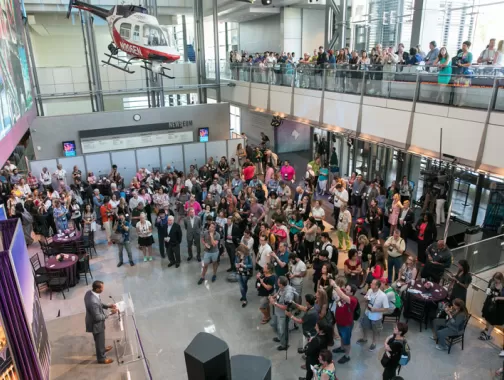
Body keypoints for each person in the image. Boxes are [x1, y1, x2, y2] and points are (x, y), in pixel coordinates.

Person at [84, 281, 118, 364]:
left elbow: (98, 303)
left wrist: (108, 306)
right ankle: (101, 359)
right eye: (102, 288)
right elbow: (97, 317)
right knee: (99, 339)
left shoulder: (89, 293)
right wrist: (110, 313)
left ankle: (102, 348)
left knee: (99, 340)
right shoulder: (93, 302)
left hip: (92, 320)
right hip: (96, 325)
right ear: (97, 288)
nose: (103, 289)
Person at [357, 279, 389, 351]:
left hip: (376, 316)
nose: (370, 284)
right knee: (364, 326)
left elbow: (386, 308)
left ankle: (374, 343)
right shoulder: (370, 290)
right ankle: (364, 338)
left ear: (377, 286)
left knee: (375, 330)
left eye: (372, 284)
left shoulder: (383, 296)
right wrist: (366, 300)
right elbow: (367, 298)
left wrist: (376, 310)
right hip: (367, 313)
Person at [331, 280, 358, 364]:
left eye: (347, 290)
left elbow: (341, 294)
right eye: (346, 288)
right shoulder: (345, 293)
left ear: (352, 293)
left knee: (346, 341)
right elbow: (339, 291)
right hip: (339, 322)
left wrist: (334, 285)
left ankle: (347, 355)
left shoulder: (353, 300)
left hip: (346, 325)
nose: (345, 290)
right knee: (342, 337)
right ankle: (342, 348)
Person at [269, 276, 295, 351]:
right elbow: (278, 294)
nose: (277, 283)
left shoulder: (288, 294)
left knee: (282, 330)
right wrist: (272, 297)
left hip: (283, 314)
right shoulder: (282, 288)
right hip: (277, 311)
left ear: (281, 284)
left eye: (278, 282)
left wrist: (274, 303)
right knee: (275, 325)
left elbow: (285, 307)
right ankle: (279, 337)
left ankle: (284, 345)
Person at [479, 272, 504, 342]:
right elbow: (488, 290)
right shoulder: (491, 281)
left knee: (493, 320)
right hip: (490, 302)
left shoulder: (503, 285)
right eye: (495, 279)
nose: (496, 281)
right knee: (487, 317)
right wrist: (487, 291)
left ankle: (488, 335)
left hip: (498, 306)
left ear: (501, 279)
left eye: (497, 280)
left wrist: (498, 298)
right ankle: (486, 329)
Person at [235, 243, 253, 307]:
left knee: (244, 285)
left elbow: (251, 265)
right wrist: (236, 265)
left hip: (245, 273)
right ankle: (244, 299)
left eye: (240, 251)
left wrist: (245, 265)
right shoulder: (237, 255)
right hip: (238, 272)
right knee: (241, 286)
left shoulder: (248, 256)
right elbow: (235, 262)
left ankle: (243, 295)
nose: (239, 253)